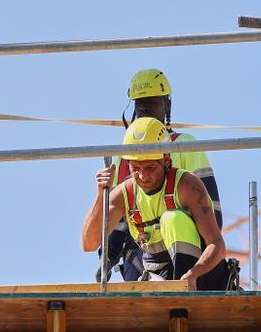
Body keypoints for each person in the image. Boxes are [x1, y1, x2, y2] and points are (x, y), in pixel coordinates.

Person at [81, 117, 231, 291]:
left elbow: (217, 244)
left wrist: (193, 274)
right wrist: (101, 196)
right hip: (161, 277)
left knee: (172, 219)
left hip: (203, 277)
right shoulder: (125, 194)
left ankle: (184, 295)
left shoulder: (187, 186)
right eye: (135, 168)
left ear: (166, 160)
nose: (143, 176)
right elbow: (89, 243)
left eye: (150, 168)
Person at [100, 69, 222, 281]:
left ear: (166, 104)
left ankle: (182, 293)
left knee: (172, 219)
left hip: (183, 249)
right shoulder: (126, 154)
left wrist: (204, 262)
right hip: (140, 254)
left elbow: (212, 212)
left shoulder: (185, 145)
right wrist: (107, 258)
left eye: (152, 101)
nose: (144, 107)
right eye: (139, 102)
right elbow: (118, 214)